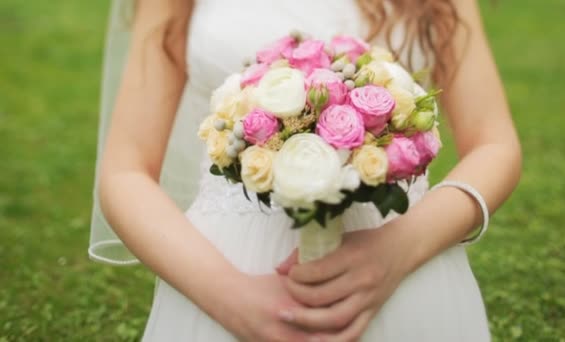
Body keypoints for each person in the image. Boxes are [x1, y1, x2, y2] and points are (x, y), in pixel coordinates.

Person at [89, 0, 521, 340]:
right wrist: (231, 296)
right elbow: (126, 171)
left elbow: (494, 144)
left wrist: (396, 252)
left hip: (403, 264)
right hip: (223, 267)